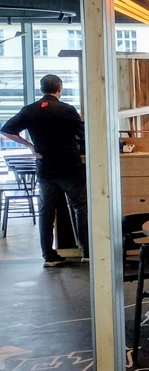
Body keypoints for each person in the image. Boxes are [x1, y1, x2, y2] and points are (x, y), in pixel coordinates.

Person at [1, 74, 88, 267]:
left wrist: (30, 146)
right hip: (70, 166)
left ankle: (49, 256)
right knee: (80, 207)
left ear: (42, 89)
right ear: (59, 87)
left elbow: (6, 130)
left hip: (45, 167)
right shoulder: (67, 109)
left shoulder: (29, 110)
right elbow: (83, 135)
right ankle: (87, 251)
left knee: (46, 211)